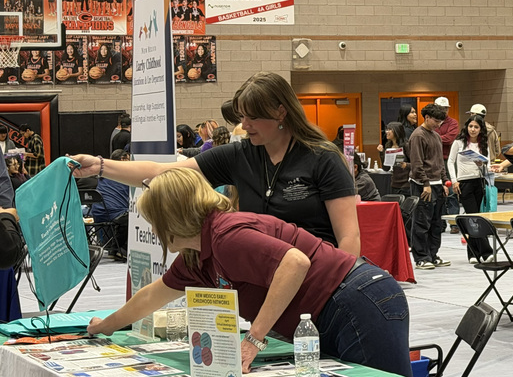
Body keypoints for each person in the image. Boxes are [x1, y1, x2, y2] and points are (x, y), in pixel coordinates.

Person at [86, 167, 412, 377]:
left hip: (358, 299)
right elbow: (151, 296)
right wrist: (106, 326)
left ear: (169, 218)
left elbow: (295, 263)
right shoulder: (196, 255)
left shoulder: (225, 235)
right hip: (334, 310)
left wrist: (254, 339)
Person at [71, 71, 361, 255]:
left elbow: (348, 238)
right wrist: (99, 166)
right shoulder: (240, 155)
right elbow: (163, 172)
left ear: (281, 112)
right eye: (241, 117)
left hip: (319, 279)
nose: (244, 125)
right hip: (268, 283)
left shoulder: (323, 158)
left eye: (252, 117)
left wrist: (332, 287)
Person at [408, 103, 451, 269]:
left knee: (436, 222)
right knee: (421, 221)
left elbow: (440, 162)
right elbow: (417, 163)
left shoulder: (436, 136)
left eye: (440, 121)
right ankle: (421, 257)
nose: (438, 124)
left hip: (437, 184)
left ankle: (433, 254)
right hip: (422, 185)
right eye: (435, 120)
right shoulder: (418, 135)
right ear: (426, 117)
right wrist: (425, 183)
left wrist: (445, 182)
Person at [447, 114, 494, 263]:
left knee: (476, 217)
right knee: (474, 216)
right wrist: (454, 181)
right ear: (467, 127)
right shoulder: (459, 143)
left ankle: (473, 253)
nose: (473, 130)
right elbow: (450, 162)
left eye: (476, 127)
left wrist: (482, 164)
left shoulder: (483, 144)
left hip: (479, 181)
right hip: (464, 183)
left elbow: (488, 163)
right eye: (471, 126)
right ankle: (486, 251)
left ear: (481, 129)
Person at [379, 122, 410, 197]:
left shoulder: (406, 145)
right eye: (387, 129)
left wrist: (406, 165)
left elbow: (415, 164)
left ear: (397, 131)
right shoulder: (388, 146)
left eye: (390, 130)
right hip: (394, 184)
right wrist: (381, 153)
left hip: (407, 184)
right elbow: (386, 168)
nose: (387, 132)